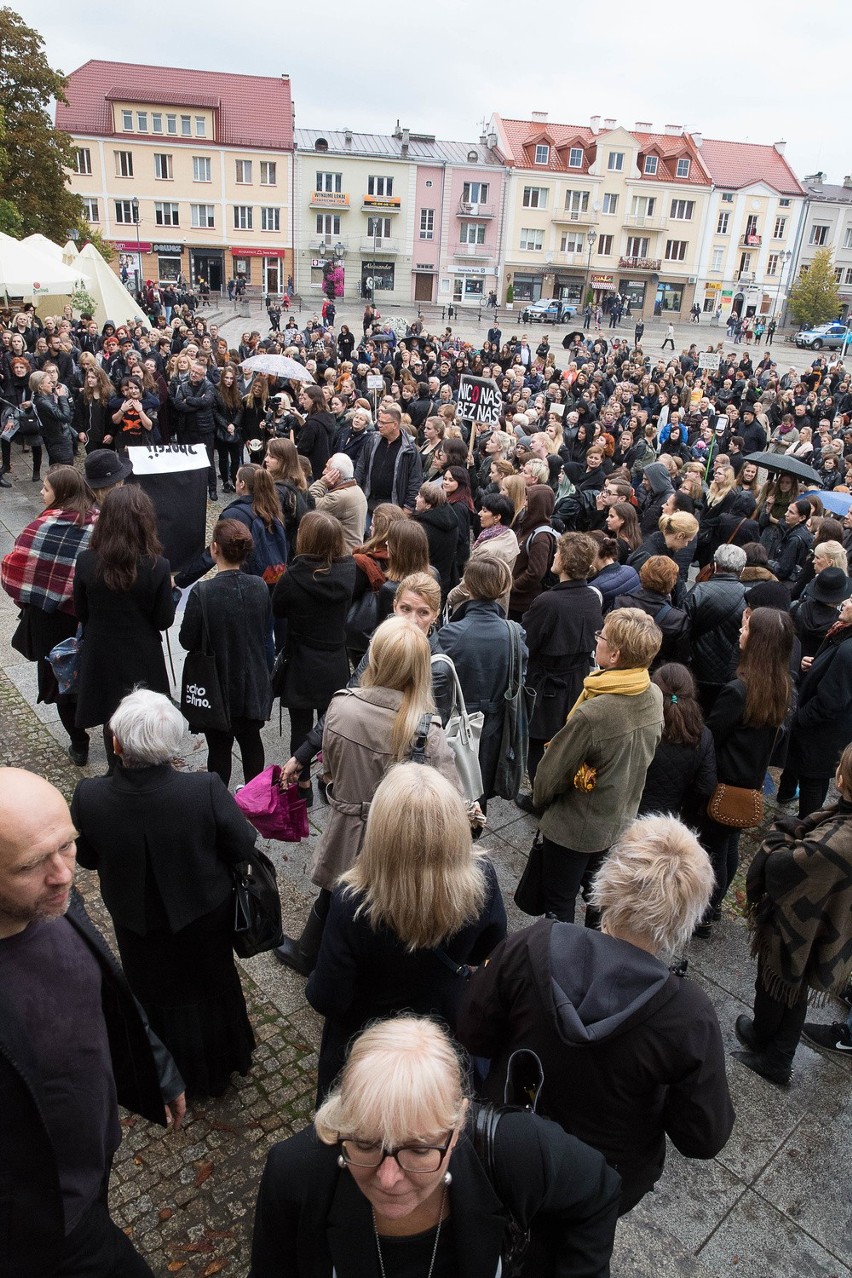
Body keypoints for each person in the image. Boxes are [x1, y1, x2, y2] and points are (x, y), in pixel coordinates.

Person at [458, 814, 734, 1215]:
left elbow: (473, 1032)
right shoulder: (688, 1016)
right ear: (685, 915)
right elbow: (703, 1137)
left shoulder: (531, 944)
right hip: (601, 1184)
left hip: (506, 1142)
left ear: (609, 874)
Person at [249, 1016, 621, 1278]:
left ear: (457, 1127)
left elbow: (598, 1189)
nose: (389, 1178)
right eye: (365, 1143)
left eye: (420, 1150)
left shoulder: (512, 1148)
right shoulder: (295, 1174)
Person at [0, 767, 185, 1278]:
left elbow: (108, 990)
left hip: (94, 1162)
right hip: (49, 1226)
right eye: (31, 865)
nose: (63, 874)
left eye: (68, 846)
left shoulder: (54, 902)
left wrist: (156, 1067)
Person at [72, 690, 257, 1097]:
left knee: (152, 993)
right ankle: (220, 1067)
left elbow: (85, 859)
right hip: (204, 914)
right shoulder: (204, 790)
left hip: (135, 921)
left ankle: (163, 1068)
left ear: (116, 743)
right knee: (211, 989)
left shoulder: (90, 797)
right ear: (172, 743)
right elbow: (243, 846)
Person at [306, 764, 506, 1099]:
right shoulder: (482, 879)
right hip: (440, 1035)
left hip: (366, 1044)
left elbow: (329, 997)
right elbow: (488, 951)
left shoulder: (352, 902)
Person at [274, 618, 461, 976]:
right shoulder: (426, 729)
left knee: (335, 891)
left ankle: (309, 954)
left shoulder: (342, 707)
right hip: (398, 835)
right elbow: (449, 797)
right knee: (386, 906)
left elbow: (330, 768)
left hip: (346, 822)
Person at [532, 608, 664, 923]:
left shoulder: (596, 712)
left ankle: (559, 959)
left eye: (601, 636)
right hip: (619, 821)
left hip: (574, 828)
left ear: (616, 655)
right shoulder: (654, 694)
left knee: (560, 899)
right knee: (600, 898)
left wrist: (539, 800)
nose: (597, 639)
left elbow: (551, 774)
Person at [735, 742, 852, 1085]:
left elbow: (781, 869)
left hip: (808, 925)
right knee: (792, 983)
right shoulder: (840, 821)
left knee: (782, 980)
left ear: (841, 780)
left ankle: (776, 1057)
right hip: (830, 922)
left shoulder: (833, 845)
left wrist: (778, 836)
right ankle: (766, 1039)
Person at [696, 607, 795, 937]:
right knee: (727, 847)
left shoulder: (739, 691)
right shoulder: (781, 686)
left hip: (722, 785)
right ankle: (714, 906)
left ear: (759, 642)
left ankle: (706, 912)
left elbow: (711, 735)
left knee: (711, 850)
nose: (741, 633)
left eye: (747, 629)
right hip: (748, 786)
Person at [1, 464, 98, 766]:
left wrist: (34, 596)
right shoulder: (100, 525)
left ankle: (79, 744)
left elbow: (12, 569)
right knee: (96, 678)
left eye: (45, 488)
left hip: (49, 619)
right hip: (89, 618)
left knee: (60, 684)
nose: (41, 493)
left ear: (62, 493)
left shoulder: (39, 527)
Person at [73, 486, 175, 774]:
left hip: (101, 652)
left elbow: (81, 612)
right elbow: (164, 620)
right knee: (144, 714)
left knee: (110, 714)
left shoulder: (86, 561)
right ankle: (146, 766)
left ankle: (114, 768)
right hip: (143, 652)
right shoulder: (157, 566)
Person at [179, 519, 272, 786]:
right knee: (252, 741)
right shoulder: (259, 586)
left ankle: (218, 801)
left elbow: (187, 640)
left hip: (217, 684)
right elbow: (264, 629)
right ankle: (255, 796)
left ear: (215, 548)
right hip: (252, 681)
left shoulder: (203, 592)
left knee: (219, 748)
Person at [271, 511, 355, 807]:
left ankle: (303, 782)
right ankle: (330, 776)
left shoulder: (293, 577)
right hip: (334, 660)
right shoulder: (349, 569)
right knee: (332, 723)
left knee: (301, 725)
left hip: (303, 661)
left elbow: (277, 609)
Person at [516, 532, 603, 809]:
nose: (553, 556)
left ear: (564, 561)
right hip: (576, 681)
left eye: (557, 553)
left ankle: (541, 798)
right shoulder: (591, 596)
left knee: (539, 745)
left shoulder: (548, 602)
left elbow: (527, 644)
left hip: (547, 686)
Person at [434, 558, 518, 812]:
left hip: (456, 725)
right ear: (503, 588)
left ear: (468, 586)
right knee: (478, 784)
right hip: (496, 727)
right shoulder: (514, 632)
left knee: (453, 784)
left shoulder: (450, 634)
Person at [777, 592, 852, 819]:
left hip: (822, 733)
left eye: (851, 602)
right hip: (820, 729)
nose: (846, 602)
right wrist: (815, 665)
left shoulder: (848, 650)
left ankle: (806, 828)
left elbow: (830, 701)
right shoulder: (841, 633)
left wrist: (799, 718)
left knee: (813, 781)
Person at [638, 663, 716, 820]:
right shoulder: (702, 735)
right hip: (671, 818)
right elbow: (706, 785)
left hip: (632, 812)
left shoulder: (640, 723)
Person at [684, 543, 748, 713]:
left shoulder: (697, 593)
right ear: (742, 570)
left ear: (714, 565)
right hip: (730, 672)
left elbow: (683, 631)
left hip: (697, 668)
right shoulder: (748, 598)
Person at [614, 555, 691, 668]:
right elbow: (681, 659)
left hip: (621, 668)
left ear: (642, 575)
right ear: (672, 581)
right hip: (655, 675)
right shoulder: (678, 619)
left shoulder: (621, 603)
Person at [354, 402, 423, 516]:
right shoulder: (372, 441)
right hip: (368, 501)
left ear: (395, 425)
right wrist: (356, 491)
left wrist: (408, 507)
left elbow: (415, 479)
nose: (379, 425)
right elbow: (361, 466)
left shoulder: (409, 449)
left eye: (383, 423)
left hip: (393, 506)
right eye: (379, 421)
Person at [308, 451, 368, 555]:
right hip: (351, 552)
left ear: (336, 474)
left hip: (342, 555)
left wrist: (322, 483)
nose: (323, 472)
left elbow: (310, 503)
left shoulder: (340, 497)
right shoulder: (356, 489)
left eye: (327, 468)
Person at [411, 480, 460, 598]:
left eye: (420, 496)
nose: (416, 498)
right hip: (445, 580)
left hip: (424, 583)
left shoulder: (423, 528)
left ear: (428, 505)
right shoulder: (452, 522)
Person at [296, 384, 336, 481]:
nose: (302, 402)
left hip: (311, 469)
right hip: (325, 466)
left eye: (305, 398)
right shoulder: (329, 418)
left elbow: (303, 449)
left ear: (313, 400)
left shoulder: (313, 423)